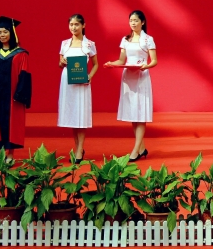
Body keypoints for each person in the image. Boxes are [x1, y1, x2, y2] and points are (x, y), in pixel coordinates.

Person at [104, 10, 157, 162]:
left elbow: (154, 60)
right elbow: (121, 60)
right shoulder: (125, 39)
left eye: (136, 20)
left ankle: (135, 150)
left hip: (141, 77)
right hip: (128, 77)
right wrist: (112, 64)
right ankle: (142, 148)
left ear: (142, 22)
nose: (133, 23)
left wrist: (145, 66)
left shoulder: (148, 39)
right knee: (134, 113)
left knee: (140, 113)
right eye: (131, 21)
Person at [0, 16, 32, 161]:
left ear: (12, 33)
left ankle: (10, 154)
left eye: (5, 32)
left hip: (13, 96)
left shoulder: (21, 54)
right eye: (0, 32)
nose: (2, 35)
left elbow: (24, 75)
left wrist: (20, 94)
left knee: (12, 123)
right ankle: (2, 153)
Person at [58, 14, 98, 164]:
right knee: (73, 116)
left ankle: (80, 149)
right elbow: (60, 63)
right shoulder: (64, 43)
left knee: (81, 115)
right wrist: (62, 62)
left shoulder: (89, 44)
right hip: (67, 82)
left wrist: (90, 76)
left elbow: (96, 64)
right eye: (71, 24)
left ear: (83, 25)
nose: (73, 27)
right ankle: (76, 148)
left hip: (82, 83)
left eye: (76, 24)